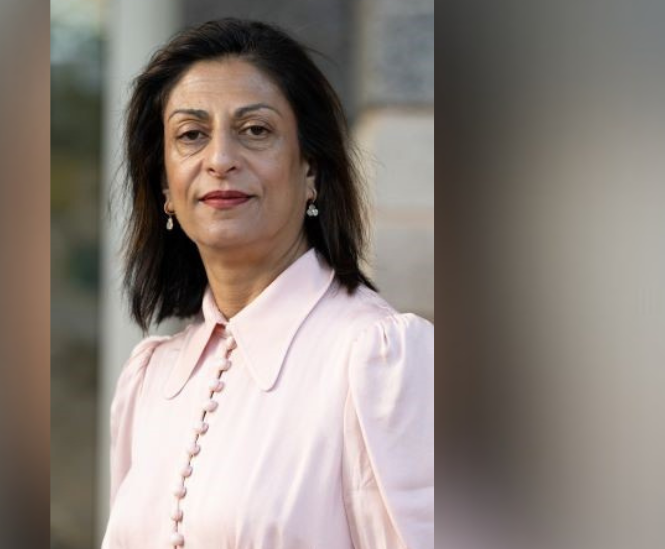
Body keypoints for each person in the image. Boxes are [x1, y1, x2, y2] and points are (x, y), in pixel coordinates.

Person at [102, 18, 433, 549]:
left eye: (256, 130)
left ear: (311, 171)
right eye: (191, 135)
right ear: (164, 184)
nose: (220, 160)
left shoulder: (378, 360)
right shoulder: (150, 379)